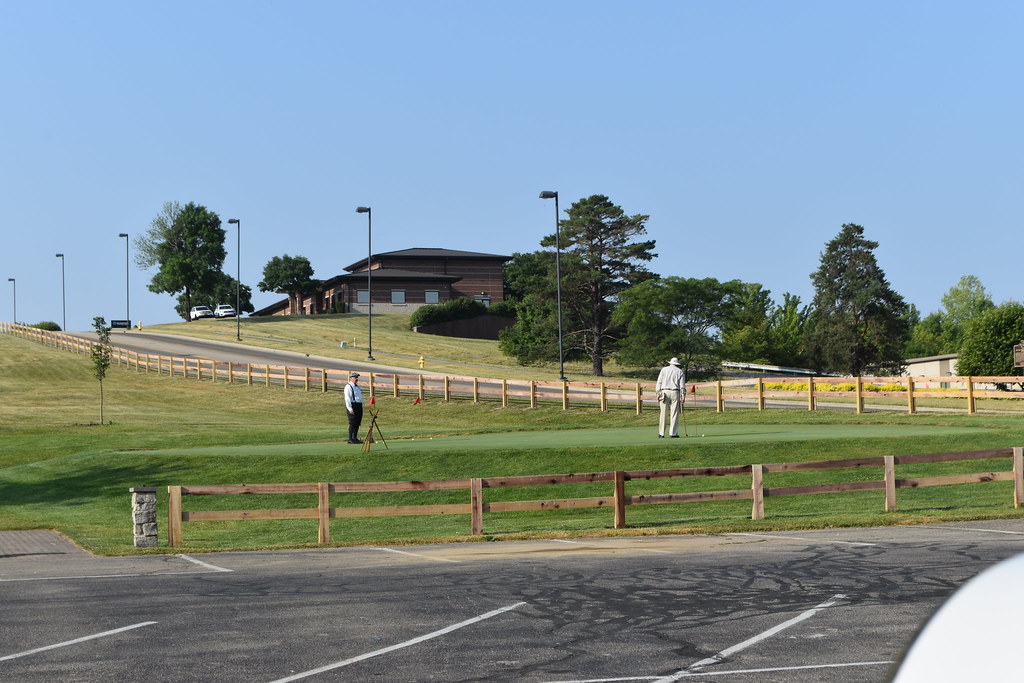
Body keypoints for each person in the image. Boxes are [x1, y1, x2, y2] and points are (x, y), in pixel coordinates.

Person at [655, 357, 685, 438]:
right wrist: (683, 396)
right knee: (674, 413)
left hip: (664, 392)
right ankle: (673, 433)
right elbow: (682, 386)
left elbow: (659, 382)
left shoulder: (664, 370)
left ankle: (661, 433)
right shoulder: (680, 371)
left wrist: (658, 393)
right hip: (675, 392)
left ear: (670, 363)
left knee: (663, 413)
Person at [344, 372, 364, 444]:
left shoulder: (357, 387)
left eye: (357, 377)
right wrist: (350, 408)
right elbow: (347, 398)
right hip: (353, 405)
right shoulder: (348, 387)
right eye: (355, 377)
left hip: (358, 405)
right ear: (351, 378)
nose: (357, 379)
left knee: (357, 422)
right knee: (352, 422)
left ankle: (355, 437)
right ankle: (350, 438)